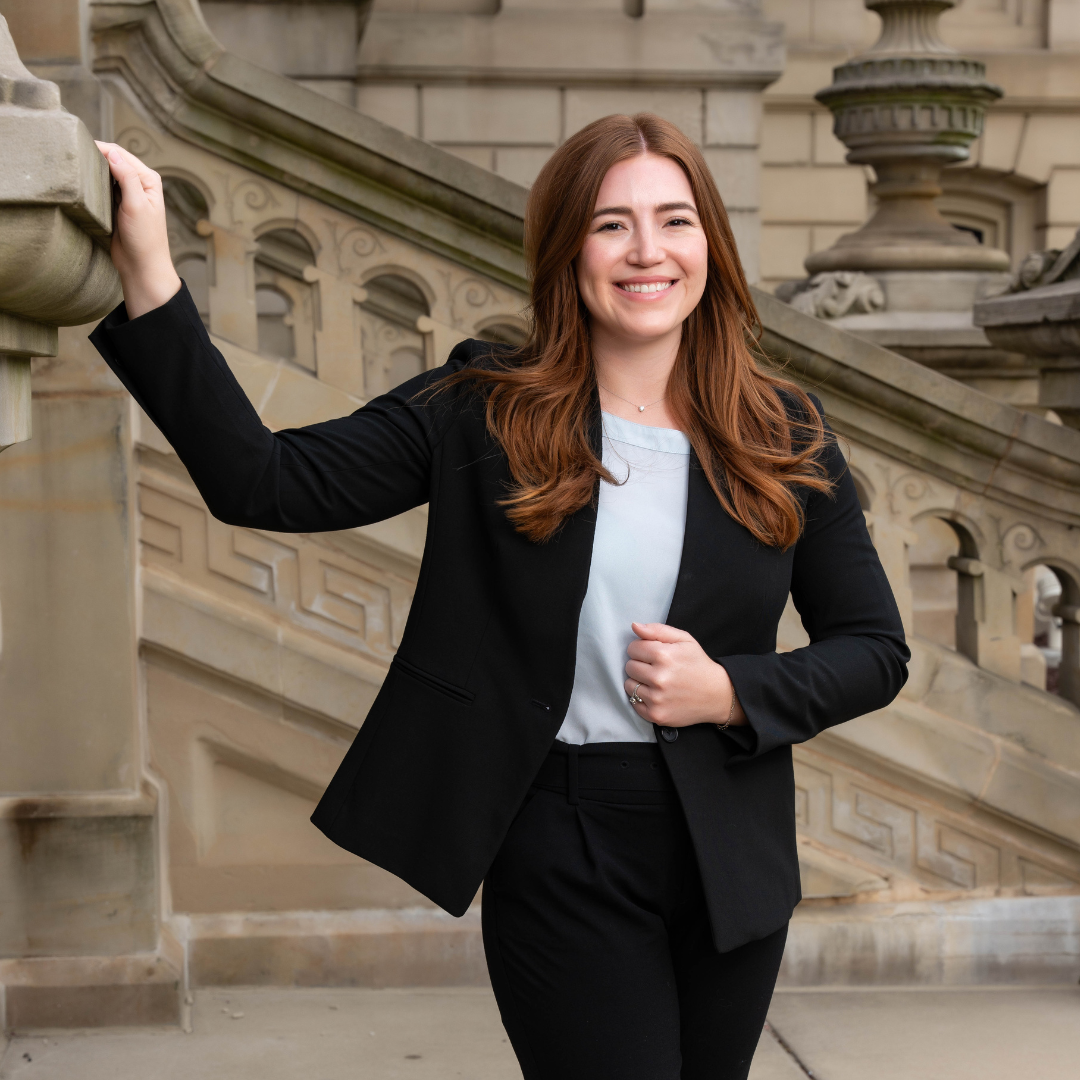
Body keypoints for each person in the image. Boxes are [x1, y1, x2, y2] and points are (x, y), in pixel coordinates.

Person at [91, 113, 908, 1080]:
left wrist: (732, 693)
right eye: (612, 224)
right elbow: (264, 480)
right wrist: (150, 270)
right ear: (567, 249)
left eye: (675, 220)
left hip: (730, 851)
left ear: (710, 245)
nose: (648, 251)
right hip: (561, 838)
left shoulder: (785, 431)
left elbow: (875, 648)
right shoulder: (487, 406)